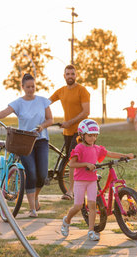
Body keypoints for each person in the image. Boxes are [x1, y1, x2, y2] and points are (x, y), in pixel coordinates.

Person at [0, 73, 53, 218]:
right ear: (22, 87)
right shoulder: (18, 103)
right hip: (24, 142)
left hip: (41, 140)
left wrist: (42, 126)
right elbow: (5, 112)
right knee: (31, 173)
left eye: (33, 86)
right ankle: (32, 209)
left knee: (42, 174)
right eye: (27, 87)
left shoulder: (43, 101)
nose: (30, 89)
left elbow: (50, 119)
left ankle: (35, 197)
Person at [60, 119, 134, 241]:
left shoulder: (97, 148)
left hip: (92, 180)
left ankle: (91, 231)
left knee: (93, 205)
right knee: (78, 206)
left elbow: (110, 153)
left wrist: (126, 156)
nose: (93, 138)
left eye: (95, 135)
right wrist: (86, 164)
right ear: (82, 135)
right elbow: (72, 164)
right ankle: (67, 220)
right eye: (90, 135)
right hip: (80, 181)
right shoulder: (79, 148)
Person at [49, 65, 90, 201]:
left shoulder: (82, 90)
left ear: (76, 75)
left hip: (81, 131)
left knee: (72, 160)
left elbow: (86, 112)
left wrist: (70, 122)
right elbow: (46, 102)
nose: (70, 76)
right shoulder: (61, 91)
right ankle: (75, 187)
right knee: (70, 160)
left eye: (72, 74)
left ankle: (71, 192)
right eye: (68, 74)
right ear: (64, 76)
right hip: (67, 131)